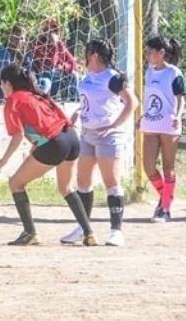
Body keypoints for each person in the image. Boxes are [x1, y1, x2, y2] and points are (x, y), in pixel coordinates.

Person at [0, 63, 96, 246]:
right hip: (71, 138)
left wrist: (4, 160)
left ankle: (30, 232)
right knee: (66, 188)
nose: (1, 88)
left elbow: (17, 135)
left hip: (55, 144)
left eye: (1, 83)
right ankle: (88, 233)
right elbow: (48, 124)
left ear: (8, 83)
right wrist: (36, 150)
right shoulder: (37, 95)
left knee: (15, 183)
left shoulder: (14, 100)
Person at [61, 39, 137, 246]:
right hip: (87, 133)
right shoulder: (89, 77)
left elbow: (132, 102)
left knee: (111, 182)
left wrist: (114, 126)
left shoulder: (112, 78)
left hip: (107, 137)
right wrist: (78, 113)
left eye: (86, 53)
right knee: (83, 181)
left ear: (94, 55)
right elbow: (89, 101)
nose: (84, 57)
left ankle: (116, 231)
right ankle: (84, 228)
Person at [138, 36, 186, 223]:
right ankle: (166, 196)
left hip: (168, 123)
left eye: (150, 52)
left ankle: (165, 208)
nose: (147, 55)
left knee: (168, 167)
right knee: (148, 166)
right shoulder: (149, 72)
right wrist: (143, 115)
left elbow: (180, 98)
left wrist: (178, 115)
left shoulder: (174, 73)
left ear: (161, 53)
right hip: (151, 122)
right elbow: (150, 97)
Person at [28, 18, 79, 101]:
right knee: (53, 73)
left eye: (54, 30)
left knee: (73, 75)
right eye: (49, 29)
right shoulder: (38, 44)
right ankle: (51, 100)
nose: (52, 32)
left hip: (58, 73)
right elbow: (50, 63)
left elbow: (73, 63)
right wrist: (54, 46)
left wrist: (63, 66)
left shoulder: (60, 44)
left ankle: (72, 103)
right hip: (43, 75)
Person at [0, 24, 31, 101]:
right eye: (16, 38)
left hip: (15, 89)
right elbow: (6, 75)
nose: (19, 41)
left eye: (22, 39)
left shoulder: (25, 54)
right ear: (9, 38)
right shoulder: (0, 53)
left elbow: (29, 72)